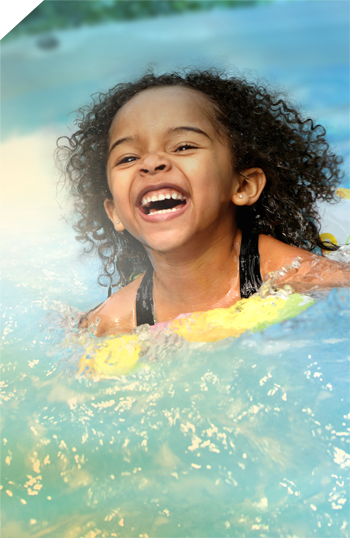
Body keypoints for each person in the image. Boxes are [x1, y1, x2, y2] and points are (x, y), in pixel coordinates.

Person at [58, 69, 349, 337]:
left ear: (243, 186)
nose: (152, 163)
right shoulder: (113, 321)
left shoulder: (292, 275)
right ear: (114, 213)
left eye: (184, 146)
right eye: (129, 158)